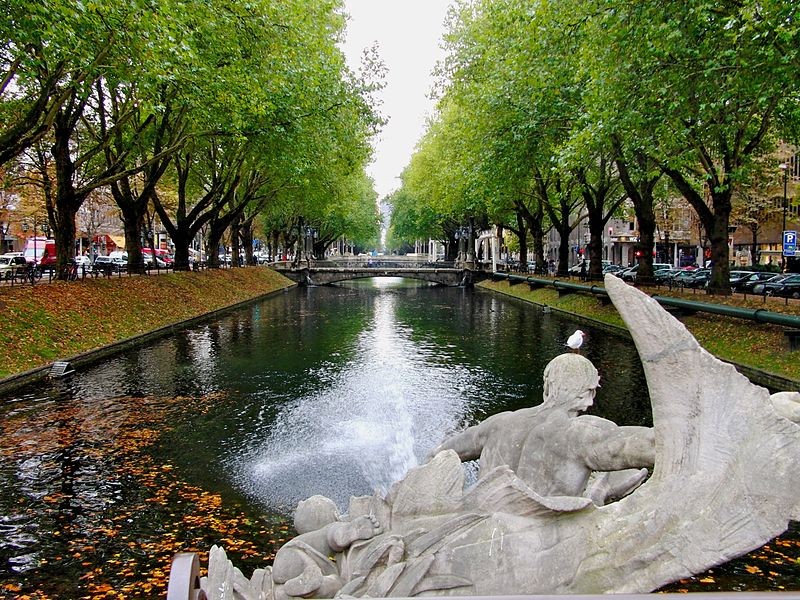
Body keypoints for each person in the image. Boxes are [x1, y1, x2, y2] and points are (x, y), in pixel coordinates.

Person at [429, 353, 654, 499]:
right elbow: (654, 445)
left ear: (547, 386)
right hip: (539, 548)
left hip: (482, 534)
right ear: (589, 394)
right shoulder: (580, 434)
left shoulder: (498, 423)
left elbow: (438, 455)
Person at [271, 495, 385, 600]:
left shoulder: (305, 538)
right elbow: (337, 539)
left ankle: (284, 593)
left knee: (281, 590)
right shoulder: (330, 528)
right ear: (335, 515)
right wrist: (353, 529)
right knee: (336, 582)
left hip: (282, 561)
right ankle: (314, 586)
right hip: (301, 558)